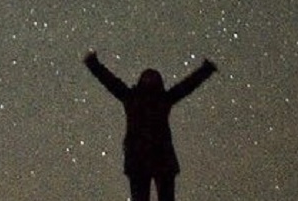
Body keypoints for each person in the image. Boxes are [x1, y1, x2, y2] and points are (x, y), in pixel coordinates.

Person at [84, 50, 218, 201]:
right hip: (157, 158)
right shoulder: (159, 99)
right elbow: (186, 86)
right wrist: (206, 70)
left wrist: (93, 64)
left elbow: (110, 81)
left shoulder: (133, 98)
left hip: (142, 158)